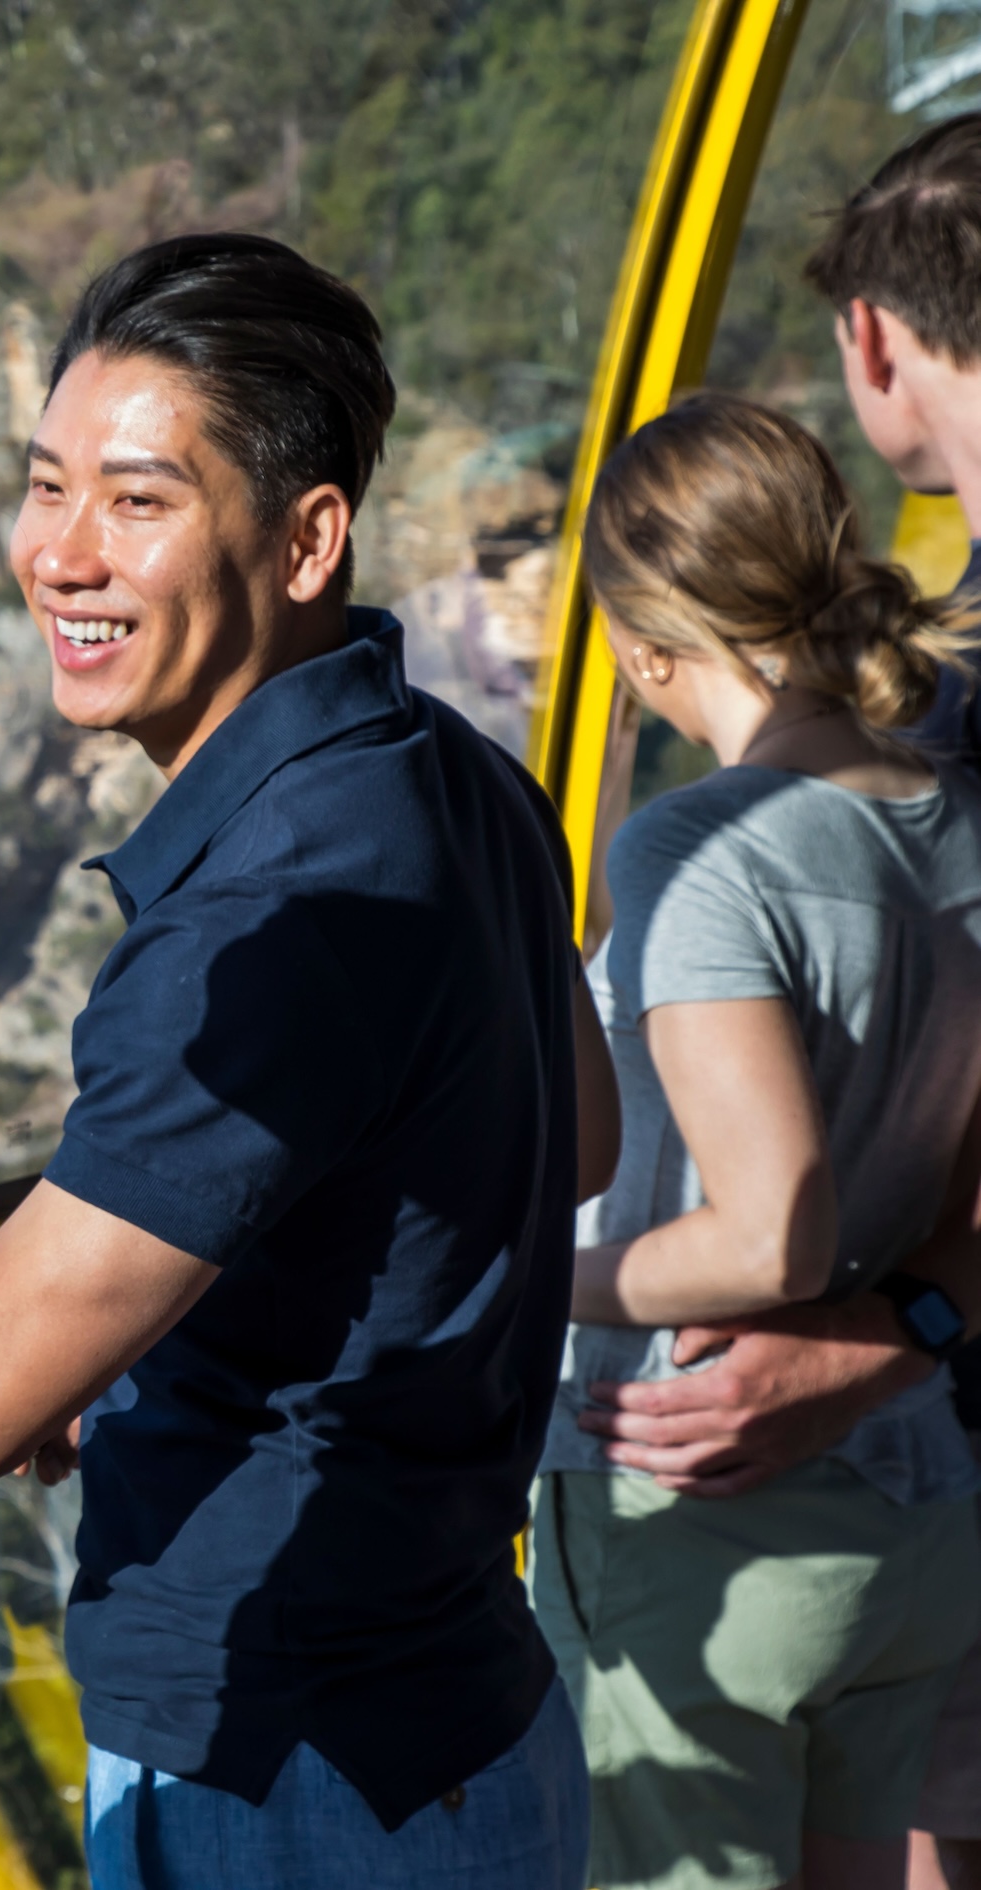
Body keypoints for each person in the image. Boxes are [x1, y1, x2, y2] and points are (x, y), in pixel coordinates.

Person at [0, 231, 617, 1890]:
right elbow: (571, 1138)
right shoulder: (456, 775)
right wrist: (168, 1315)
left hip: (290, 1774)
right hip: (461, 1726)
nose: (63, 553)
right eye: (47, 484)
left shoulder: (266, 923)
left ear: (305, 539)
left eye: (139, 501)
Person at [572, 112, 981, 1890]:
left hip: (709, 1505)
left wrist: (539, 1270)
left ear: (651, 660)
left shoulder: (701, 854)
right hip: (919, 1510)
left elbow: (776, 1216)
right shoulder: (945, 805)